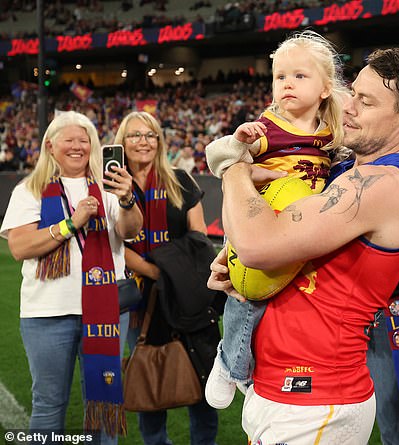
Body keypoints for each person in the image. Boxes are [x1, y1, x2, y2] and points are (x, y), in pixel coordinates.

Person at [207, 47, 399, 444]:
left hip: (317, 398)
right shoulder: (344, 172)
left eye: (366, 101)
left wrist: (232, 165)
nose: (348, 107)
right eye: (353, 93)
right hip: (284, 390)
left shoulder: (382, 185)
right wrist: (241, 274)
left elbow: (257, 244)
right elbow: (258, 246)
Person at [204, 30, 345, 409]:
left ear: (325, 88)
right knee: (246, 296)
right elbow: (217, 155)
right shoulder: (266, 128)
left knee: (284, 307)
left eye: (300, 76)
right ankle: (230, 363)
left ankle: (257, 368)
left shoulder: (333, 135)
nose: (287, 84)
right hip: (262, 226)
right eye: (280, 77)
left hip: (304, 232)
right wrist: (238, 142)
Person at [0, 111, 142, 443]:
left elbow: (130, 230)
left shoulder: (110, 186)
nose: (78, 146)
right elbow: (20, 247)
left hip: (105, 311)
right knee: (49, 405)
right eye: (70, 140)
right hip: (47, 314)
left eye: (84, 140)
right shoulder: (30, 189)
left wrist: (127, 198)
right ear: (50, 145)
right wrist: (71, 224)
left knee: (104, 405)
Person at [113, 111, 219, 445]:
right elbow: (116, 243)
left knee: (204, 390)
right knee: (150, 386)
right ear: (122, 143)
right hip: (144, 300)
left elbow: (199, 239)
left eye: (149, 135)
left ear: (158, 141)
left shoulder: (181, 180)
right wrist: (158, 272)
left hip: (187, 297)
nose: (142, 142)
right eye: (134, 135)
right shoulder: (114, 187)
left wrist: (173, 274)